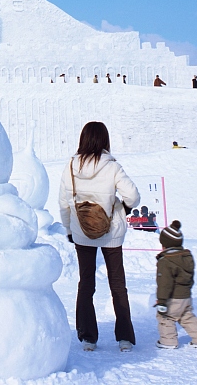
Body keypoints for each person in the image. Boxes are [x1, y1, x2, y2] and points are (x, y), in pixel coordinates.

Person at [57, 121, 141, 353]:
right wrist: (121, 208)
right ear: (104, 140)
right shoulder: (112, 166)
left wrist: (70, 230)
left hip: (82, 232)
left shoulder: (71, 166)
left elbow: (64, 203)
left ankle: (88, 338)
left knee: (86, 284)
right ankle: (124, 338)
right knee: (117, 284)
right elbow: (133, 196)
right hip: (111, 232)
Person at [154, 220, 197, 350]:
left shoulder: (166, 261)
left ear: (165, 245)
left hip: (173, 298)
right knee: (186, 316)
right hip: (185, 296)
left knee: (165, 317)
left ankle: (168, 341)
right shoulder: (186, 257)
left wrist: (162, 301)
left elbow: (164, 284)